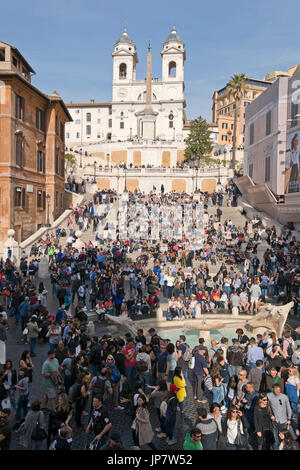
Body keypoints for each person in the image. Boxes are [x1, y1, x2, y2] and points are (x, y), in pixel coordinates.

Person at [267, 383, 292, 449]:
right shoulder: (269, 396)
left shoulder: (284, 397)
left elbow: (288, 408)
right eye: (277, 390)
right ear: (273, 389)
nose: (278, 391)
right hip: (274, 421)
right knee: (275, 438)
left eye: (279, 390)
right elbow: (267, 407)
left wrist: (289, 419)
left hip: (283, 421)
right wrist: (270, 415)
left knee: (284, 438)